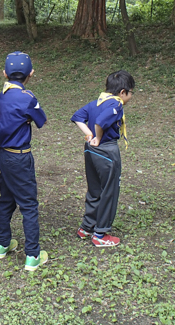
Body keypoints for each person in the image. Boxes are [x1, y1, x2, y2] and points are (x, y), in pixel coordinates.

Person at [0, 52, 48, 271]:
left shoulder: (2, 95)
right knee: (28, 205)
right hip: (20, 156)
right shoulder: (27, 97)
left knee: (6, 199)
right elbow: (41, 120)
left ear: (4, 74)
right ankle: (32, 256)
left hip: (3, 155)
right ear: (31, 74)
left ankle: (1, 244)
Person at [71, 70, 135, 248]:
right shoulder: (115, 105)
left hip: (90, 151)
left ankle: (86, 227)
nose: (130, 97)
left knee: (95, 189)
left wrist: (89, 135)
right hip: (106, 150)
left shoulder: (95, 102)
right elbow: (101, 122)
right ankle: (100, 234)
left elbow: (77, 117)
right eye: (131, 93)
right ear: (123, 92)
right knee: (109, 191)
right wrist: (97, 136)